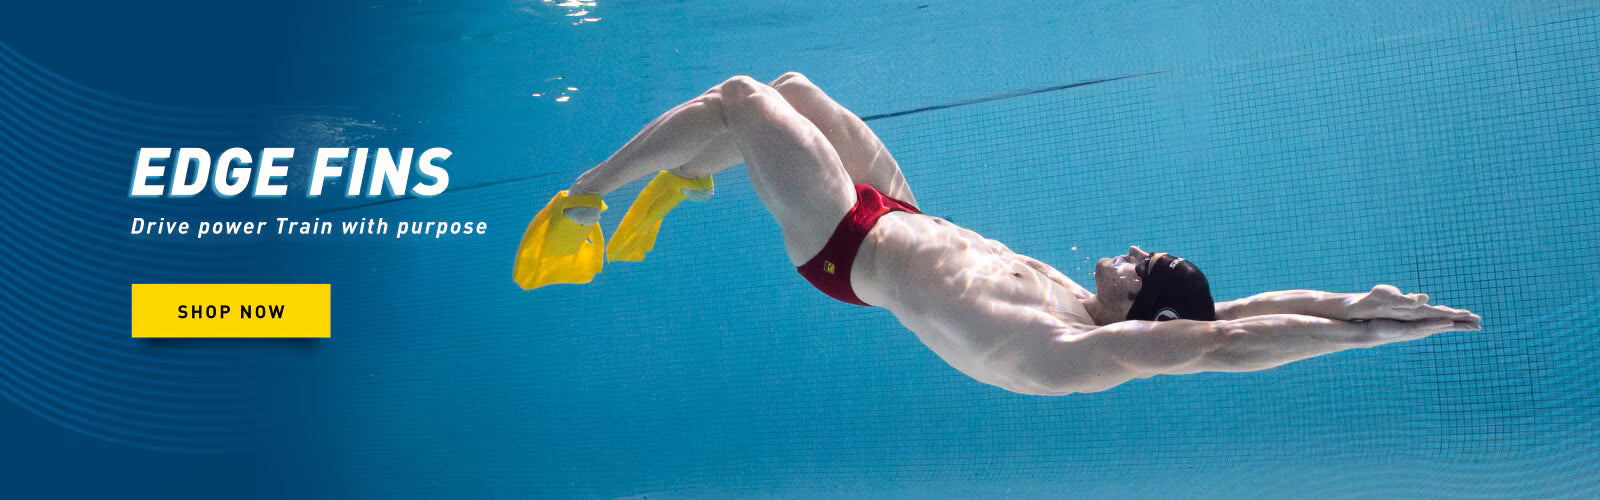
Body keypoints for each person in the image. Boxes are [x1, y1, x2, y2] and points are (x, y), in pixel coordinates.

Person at [514, 73, 1481, 396]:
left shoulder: (1072, 347)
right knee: (796, 90)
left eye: (1142, 264)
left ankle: (584, 201)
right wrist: (1349, 303)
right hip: (899, 211)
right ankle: (682, 183)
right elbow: (1238, 310)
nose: (1132, 250)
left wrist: (1368, 338)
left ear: (1143, 313)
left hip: (844, 247)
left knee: (741, 98)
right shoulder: (1089, 304)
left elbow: (1225, 343)